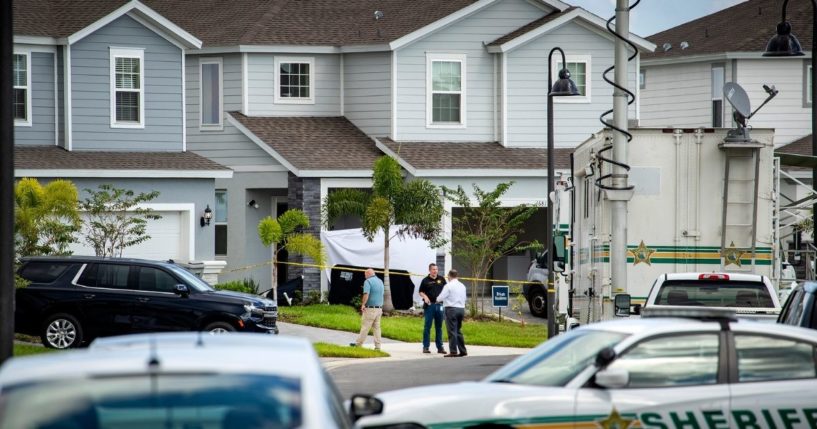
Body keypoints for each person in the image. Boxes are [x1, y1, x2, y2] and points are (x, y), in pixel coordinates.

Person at [349, 268, 384, 350]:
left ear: (368, 274)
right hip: (379, 309)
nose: (365, 277)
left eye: (365, 275)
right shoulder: (380, 281)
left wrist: (363, 304)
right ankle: (378, 346)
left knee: (365, 327)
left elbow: (366, 294)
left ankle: (358, 344)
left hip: (370, 309)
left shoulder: (368, 281)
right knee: (377, 328)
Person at [437, 269, 467, 357]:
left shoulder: (448, 286)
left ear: (449, 276)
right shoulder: (462, 286)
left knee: (451, 331)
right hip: (461, 309)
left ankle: (453, 351)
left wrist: (436, 300)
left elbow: (441, 297)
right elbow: (464, 298)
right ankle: (463, 350)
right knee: (458, 330)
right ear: (457, 276)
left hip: (451, 309)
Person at [418, 263, 446, 354]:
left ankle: (440, 347)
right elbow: (421, 291)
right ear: (429, 270)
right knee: (427, 327)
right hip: (430, 306)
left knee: (439, 327)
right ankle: (426, 347)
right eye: (433, 269)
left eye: (436, 269)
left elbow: (446, 290)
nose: (435, 271)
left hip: (440, 305)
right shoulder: (425, 280)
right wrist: (425, 297)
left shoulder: (441, 279)